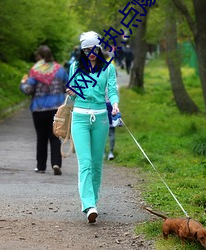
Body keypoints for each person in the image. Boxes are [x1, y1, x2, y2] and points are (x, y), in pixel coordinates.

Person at [66, 31, 119, 223]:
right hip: (79, 117)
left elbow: (112, 90)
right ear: (82, 50)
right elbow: (72, 96)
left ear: (99, 48)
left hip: (101, 119)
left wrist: (115, 104)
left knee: (97, 164)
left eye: (93, 49)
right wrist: (70, 92)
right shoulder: (75, 67)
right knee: (85, 163)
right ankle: (88, 205)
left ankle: (93, 201)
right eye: (86, 50)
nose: (90, 53)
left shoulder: (108, 69)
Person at [20, 45, 68, 175]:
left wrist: (23, 83)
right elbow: (67, 87)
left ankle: (41, 167)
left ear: (39, 57)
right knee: (55, 136)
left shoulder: (35, 71)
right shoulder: (60, 70)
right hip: (56, 109)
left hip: (39, 109)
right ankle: (56, 163)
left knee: (41, 138)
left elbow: (28, 90)